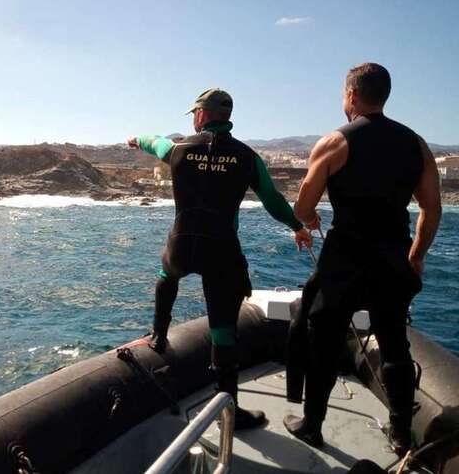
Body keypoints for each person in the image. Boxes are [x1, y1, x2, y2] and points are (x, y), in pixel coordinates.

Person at [128, 88, 313, 429]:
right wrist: (297, 227)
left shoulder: (179, 148)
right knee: (223, 332)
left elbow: (155, 141)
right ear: (226, 117)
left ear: (201, 115)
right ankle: (229, 414)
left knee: (166, 275)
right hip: (221, 251)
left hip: (181, 245)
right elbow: (272, 200)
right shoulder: (246, 157)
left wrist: (137, 139)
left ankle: (158, 335)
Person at [286, 63, 442, 455]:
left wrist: (309, 218)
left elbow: (304, 206)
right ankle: (401, 433)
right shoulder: (418, 145)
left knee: (323, 340)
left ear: (352, 96)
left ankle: (312, 426)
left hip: (344, 260)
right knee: (394, 345)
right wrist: (417, 255)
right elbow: (431, 209)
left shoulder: (335, 142)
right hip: (393, 258)